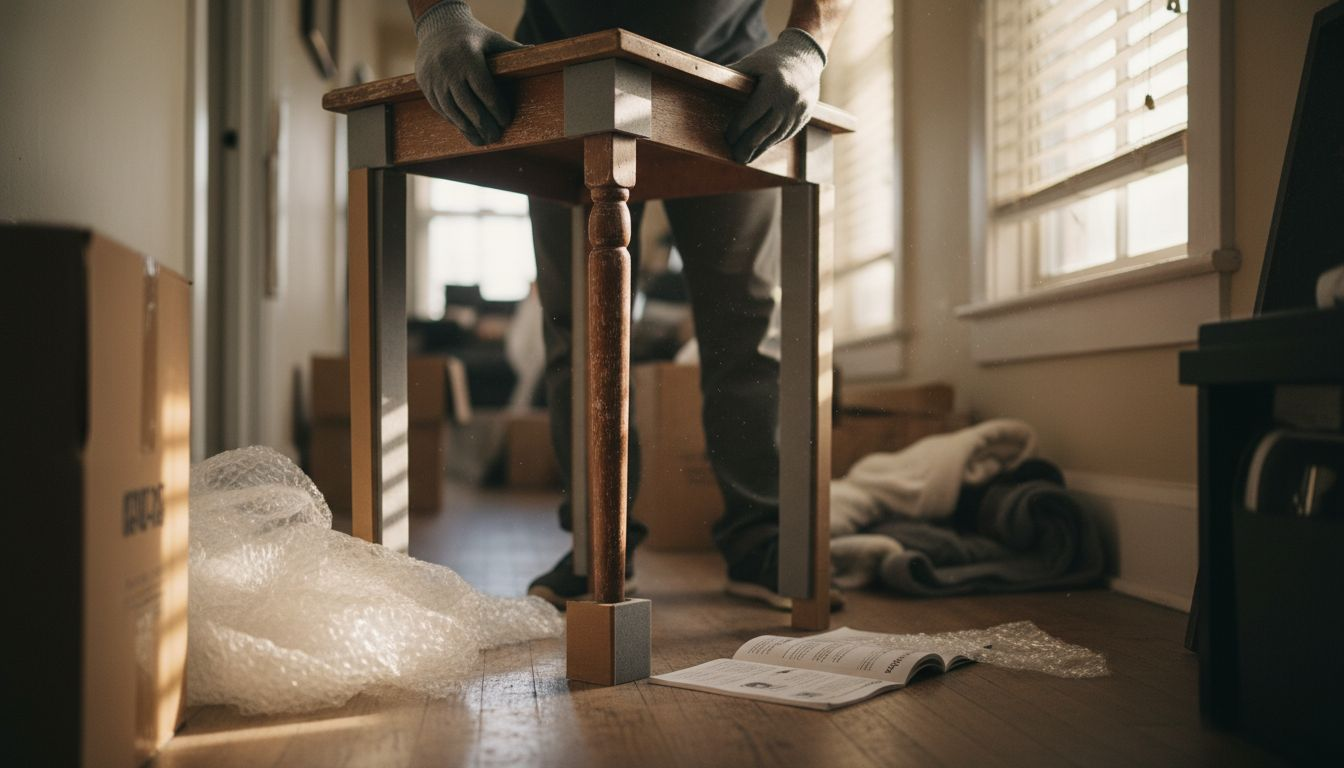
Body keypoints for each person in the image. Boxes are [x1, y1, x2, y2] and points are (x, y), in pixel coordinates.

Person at [407, 0, 852, 609]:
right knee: (582, 330)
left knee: (747, 324)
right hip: (564, 70)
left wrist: (808, 42)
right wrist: (439, 14)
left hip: (731, 82)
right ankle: (599, 545)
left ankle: (762, 540)